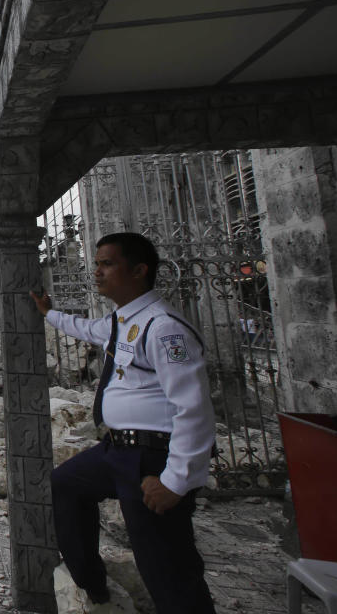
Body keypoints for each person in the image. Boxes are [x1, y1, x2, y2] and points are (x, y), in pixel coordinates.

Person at [30, 232, 216, 613]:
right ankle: (93, 586)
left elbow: (194, 409)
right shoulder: (123, 320)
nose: (96, 272)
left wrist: (175, 481)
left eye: (107, 264)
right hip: (118, 450)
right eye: (96, 263)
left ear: (139, 270)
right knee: (66, 485)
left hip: (152, 458)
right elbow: (86, 329)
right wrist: (49, 313)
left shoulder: (164, 328)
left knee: (165, 565)